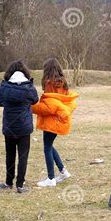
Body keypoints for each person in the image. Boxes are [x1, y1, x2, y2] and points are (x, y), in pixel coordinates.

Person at [32, 58, 78, 187]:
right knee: (49, 145)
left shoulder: (49, 83)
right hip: (60, 119)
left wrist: (31, 107)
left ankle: (51, 178)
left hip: (52, 121)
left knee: (47, 147)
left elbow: (48, 106)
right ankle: (63, 171)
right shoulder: (63, 83)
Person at [0, 60, 39, 193]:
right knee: (23, 156)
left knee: (10, 155)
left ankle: (9, 182)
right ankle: (20, 185)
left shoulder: (4, 86)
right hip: (24, 127)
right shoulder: (29, 87)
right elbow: (35, 100)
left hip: (9, 126)